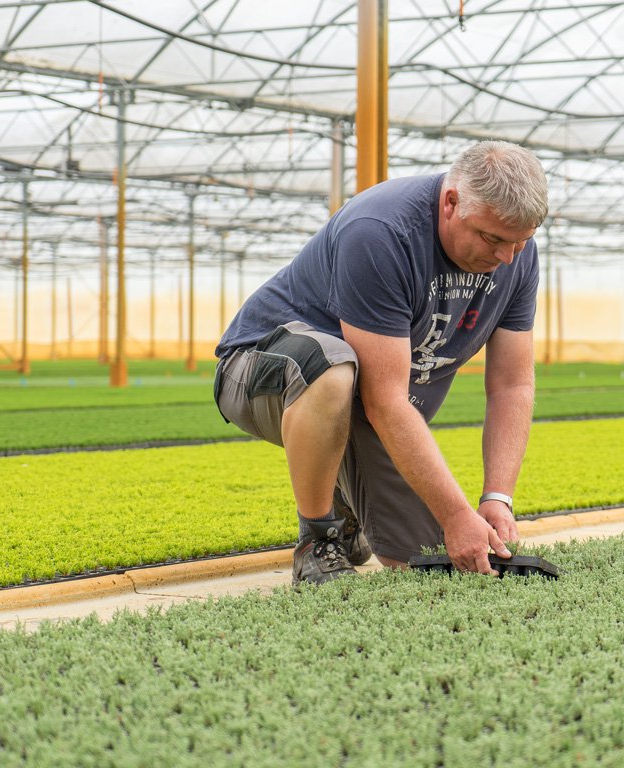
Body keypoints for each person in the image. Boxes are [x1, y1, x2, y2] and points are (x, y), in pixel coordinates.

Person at [213, 140, 549, 586]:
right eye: (493, 239)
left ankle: (347, 504)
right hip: (261, 369)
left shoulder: (516, 257)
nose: (507, 257)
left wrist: (496, 497)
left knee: (426, 559)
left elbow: (512, 385)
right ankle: (319, 540)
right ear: (451, 203)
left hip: (366, 403)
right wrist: (455, 513)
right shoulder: (381, 231)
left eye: (521, 242)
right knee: (333, 368)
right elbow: (385, 400)